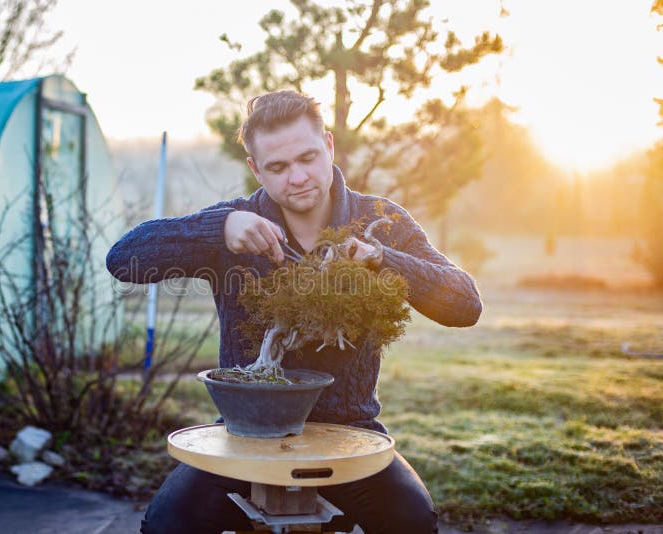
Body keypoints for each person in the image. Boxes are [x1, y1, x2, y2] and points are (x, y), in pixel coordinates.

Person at [106, 90, 482, 534]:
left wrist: (383, 259)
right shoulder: (236, 225)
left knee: (411, 520)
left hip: (351, 435)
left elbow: (465, 306)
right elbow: (125, 258)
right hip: (244, 436)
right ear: (255, 168)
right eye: (278, 168)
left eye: (307, 157)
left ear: (328, 145)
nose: (297, 177)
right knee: (169, 524)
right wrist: (219, 228)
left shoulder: (381, 221)